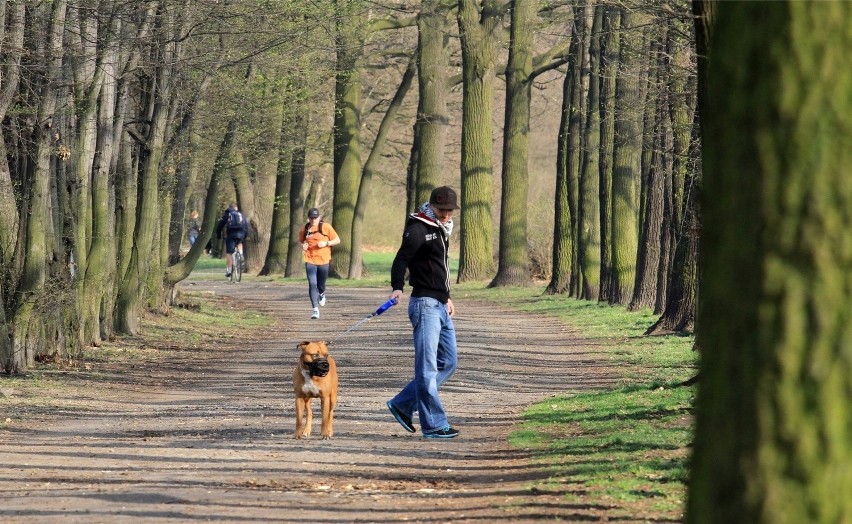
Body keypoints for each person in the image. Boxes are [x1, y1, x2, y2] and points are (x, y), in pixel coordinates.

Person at [386, 186, 461, 439]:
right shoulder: (418, 228)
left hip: (440, 304)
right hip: (424, 305)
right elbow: (401, 259)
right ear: (432, 207)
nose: (447, 216)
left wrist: (446, 296)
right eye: (443, 211)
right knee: (427, 369)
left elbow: (438, 268)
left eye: (450, 211)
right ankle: (435, 425)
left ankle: (403, 403)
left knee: (449, 362)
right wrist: (397, 287)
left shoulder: (440, 229)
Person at [298, 207, 340, 319]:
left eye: (315, 218)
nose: (313, 220)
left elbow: (337, 240)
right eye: (311, 218)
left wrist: (326, 243)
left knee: (321, 285)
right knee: (312, 284)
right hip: (310, 259)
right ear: (309, 218)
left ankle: (321, 294)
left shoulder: (326, 227)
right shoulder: (305, 229)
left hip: (324, 260)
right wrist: (302, 246)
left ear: (319, 217)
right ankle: (315, 310)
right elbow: (300, 241)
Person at [215, 202, 249, 278]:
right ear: (236, 208)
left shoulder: (227, 214)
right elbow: (245, 225)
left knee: (229, 252)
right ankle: (241, 254)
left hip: (231, 234)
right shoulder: (241, 215)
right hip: (241, 233)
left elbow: (221, 225)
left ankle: (229, 270)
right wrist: (246, 235)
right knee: (240, 242)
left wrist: (218, 234)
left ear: (229, 208)